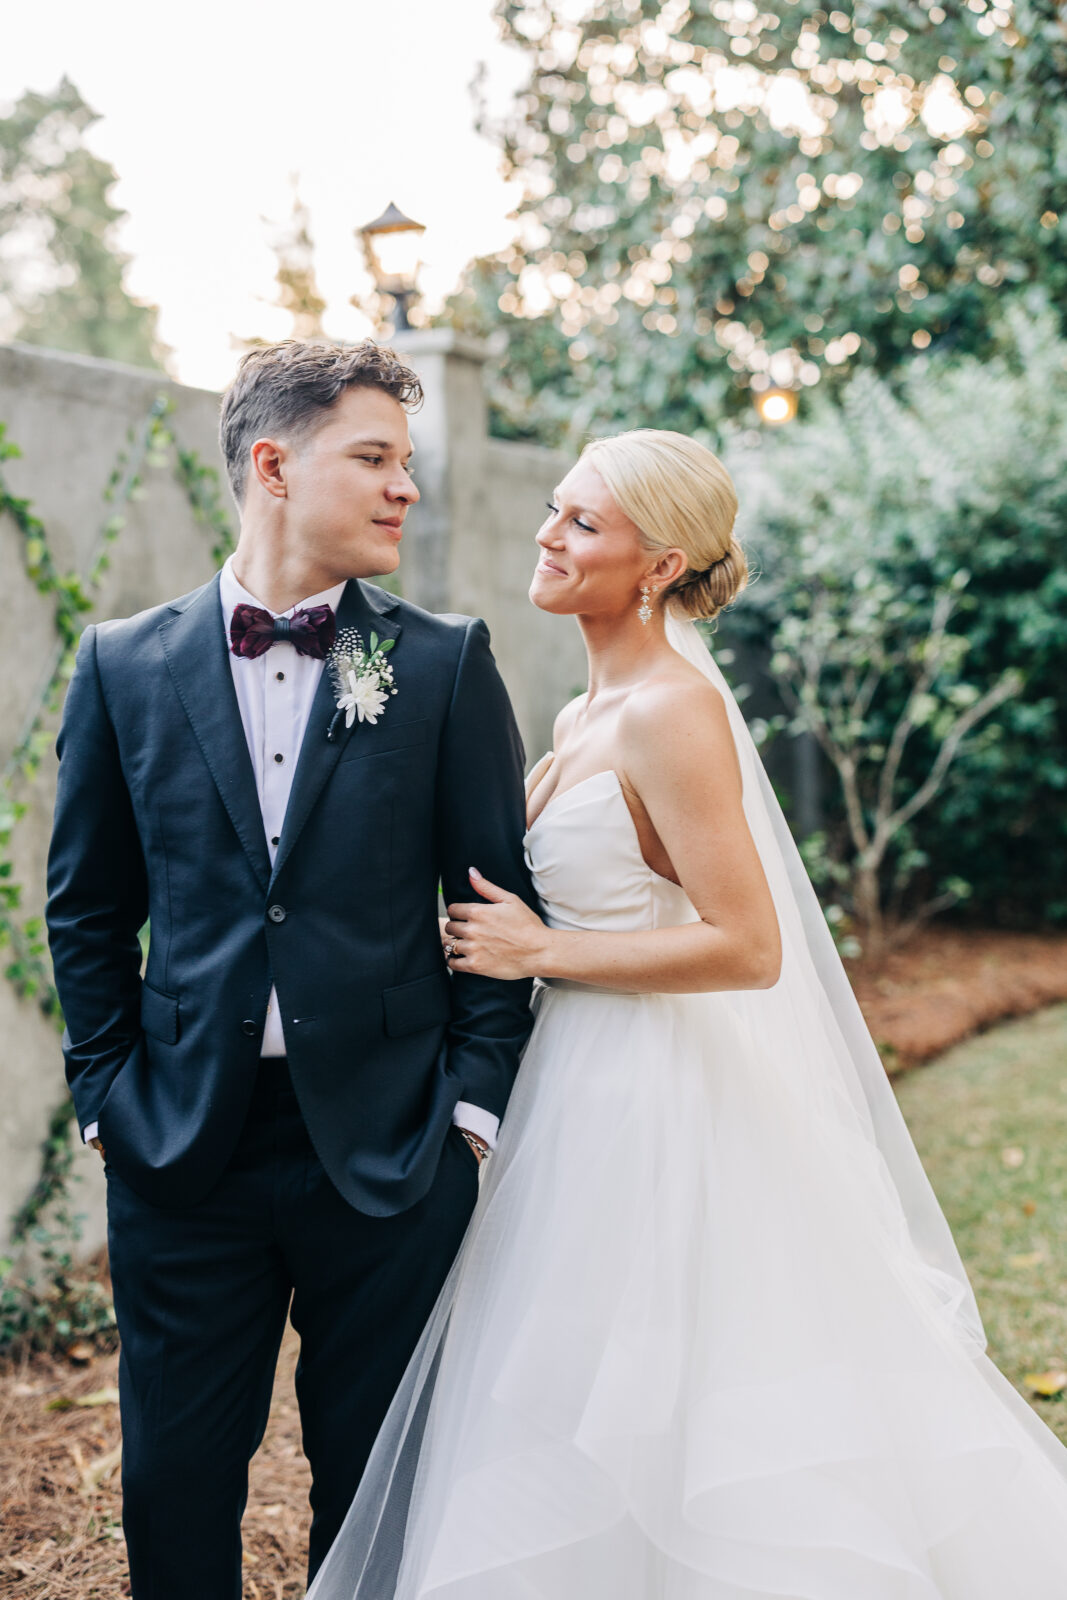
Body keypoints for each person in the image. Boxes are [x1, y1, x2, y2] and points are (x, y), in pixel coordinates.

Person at [309, 428, 1067, 1599]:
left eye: (584, 524)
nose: (549, 535)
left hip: (651, 1106)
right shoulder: (581, 715)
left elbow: (748, 944)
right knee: (568, 1407)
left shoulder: (672, 710)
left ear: (659, 566)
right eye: (556, 510)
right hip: (572, 1084)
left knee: (678, 1421)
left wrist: (540, 947)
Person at [45, 339, 536, 1600]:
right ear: (273, 463)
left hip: (387, 1153)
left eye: (407, 463)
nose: (403, 489)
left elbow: (494, 902)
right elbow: (88, 908)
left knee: (377, 1488)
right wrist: (106, 1097)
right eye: (372, 458)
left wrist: (467, 1116)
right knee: (173, 1485)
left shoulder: (435, 662)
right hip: (181, 1150)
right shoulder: (121, 666)